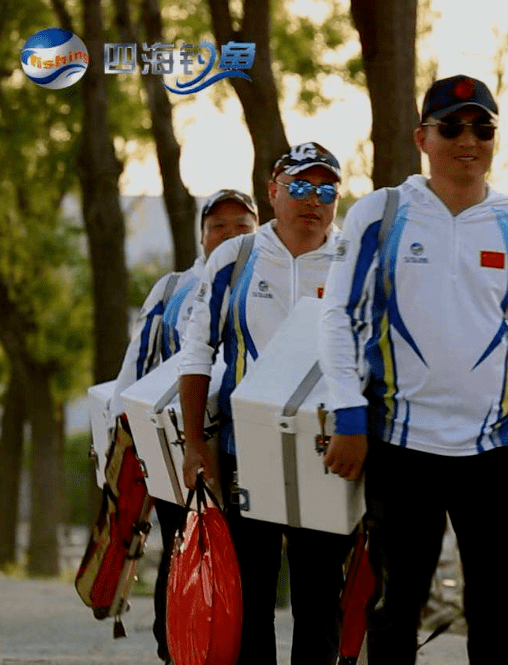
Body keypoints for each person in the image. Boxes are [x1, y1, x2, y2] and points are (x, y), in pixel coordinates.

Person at [319, 74, 508, 664]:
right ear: (423, 137)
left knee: (497, 607)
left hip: (493, 452)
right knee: (397, 604)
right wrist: (348, 414)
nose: (468, 140)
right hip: (399, 444)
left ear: (494, 139)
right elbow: (340, 319)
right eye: (452, 127)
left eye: (482, 128)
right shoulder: (381, 217)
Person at [178, 142, 354, 665]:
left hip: (328, 452)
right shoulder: (236, 258)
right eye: (299, 186)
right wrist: (193, 444)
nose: (312, 200)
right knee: (251, 598)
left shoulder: (354, 259)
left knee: (320, 598)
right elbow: (196, 352)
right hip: (246, 450)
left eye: (326, 189)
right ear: (273, 191)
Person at [108, 188, 258, 664]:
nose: (230, 235)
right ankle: (176, 653)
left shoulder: (266, 281)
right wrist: (122, 447)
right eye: (219, 227)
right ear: (202, 237)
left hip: (247, 451)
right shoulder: (174, 289)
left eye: (242, 226)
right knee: (184, 558)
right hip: (178, 454)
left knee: (242, 570)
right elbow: (134, 373)